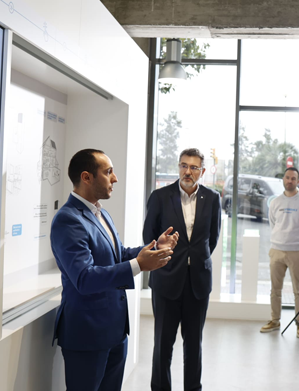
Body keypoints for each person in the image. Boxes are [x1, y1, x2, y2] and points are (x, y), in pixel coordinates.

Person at [51, 149, 178, 391]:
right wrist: (139, 265)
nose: (115, 178)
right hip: (87, 336)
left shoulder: (101, 213)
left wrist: (153, 248)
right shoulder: (68, 220)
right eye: (108, 172)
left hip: (115, 332)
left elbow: (117, 255)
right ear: (86, 177)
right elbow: (84, 278)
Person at [143, 148, 222, 391]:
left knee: (194, 345)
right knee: (162, 344)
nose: (188, 171)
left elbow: (212, 238)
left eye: (194, 167)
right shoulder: (160, 196)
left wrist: (195, 259)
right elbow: (149, 237)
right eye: (184, 166)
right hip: (166, 280)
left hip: (198, 282)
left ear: (202, 171)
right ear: (179, 167)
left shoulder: (212, 198)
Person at [260, 167, 299, 337]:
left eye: (293, 178)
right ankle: (274, 320)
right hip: (276, 250)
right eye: (287, 177)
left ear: (298, 181)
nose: (289, 181)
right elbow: (273, 224)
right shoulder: (276, 202)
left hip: (296, 252)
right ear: (283, 179)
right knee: (275, 290)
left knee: (298, 290)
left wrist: (297, 240)